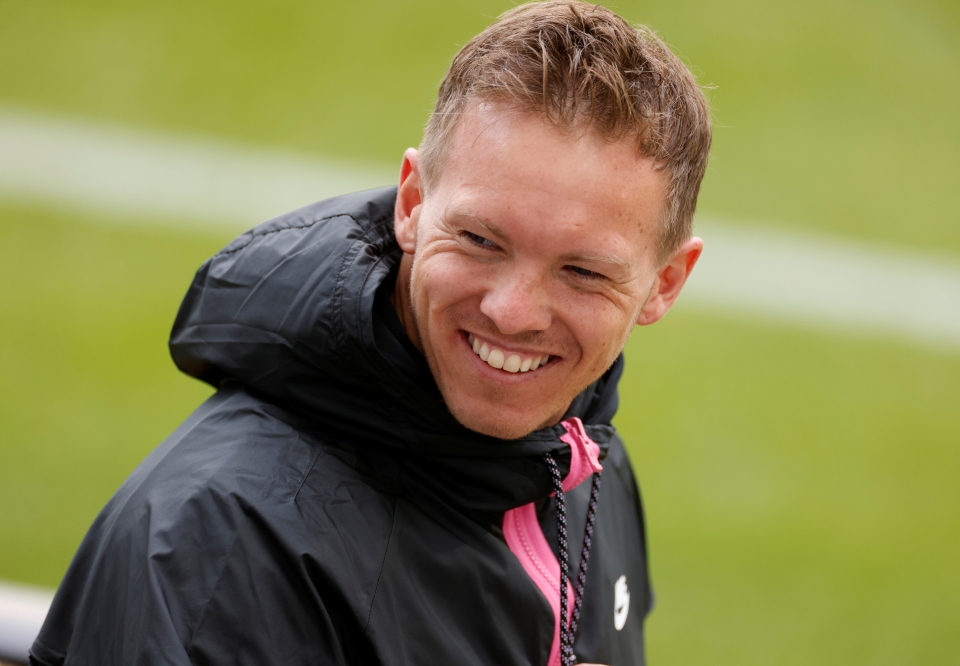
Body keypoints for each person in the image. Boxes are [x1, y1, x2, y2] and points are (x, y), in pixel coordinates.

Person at [30, 1, 711, 664]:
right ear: (412, 205)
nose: (512, 312)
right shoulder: (213, 545)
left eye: (584, 272)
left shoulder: (584, 453)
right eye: (479, 239)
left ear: (666, 283)